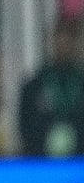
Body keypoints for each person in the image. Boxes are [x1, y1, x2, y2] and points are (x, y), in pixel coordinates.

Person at [19, 17, 84, 157]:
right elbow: (26, 129)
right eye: (59, 38)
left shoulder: (80, 82)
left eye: (69, 39)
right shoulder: (33, 87)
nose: (63, 45)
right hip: (42, 164)